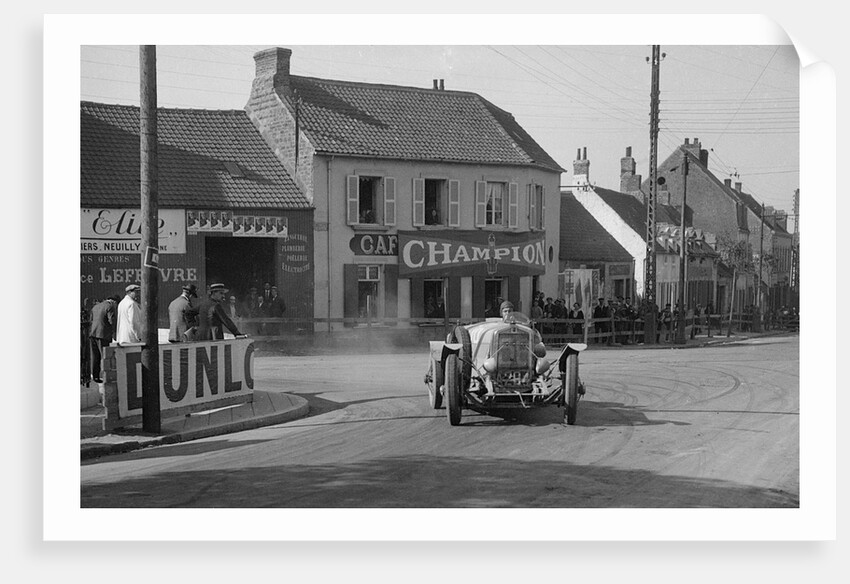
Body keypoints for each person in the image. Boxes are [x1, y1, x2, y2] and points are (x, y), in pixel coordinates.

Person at [88, 295, 119, 382]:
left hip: (93, 334)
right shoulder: (110, 306)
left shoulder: (96, 306)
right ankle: (105, 376)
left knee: (95, 356)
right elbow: (111, 321)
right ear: (114, 302)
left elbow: (91, 320)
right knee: (105, 356)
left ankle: (95, 376)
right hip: (104, 335)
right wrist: (115, 333)